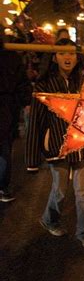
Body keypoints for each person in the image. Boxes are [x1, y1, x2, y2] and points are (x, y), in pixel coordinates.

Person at [26, 38, 84, 248]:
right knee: (60, 190)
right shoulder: (44, 85)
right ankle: (50, 219)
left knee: (83, 192)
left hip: (82, 146)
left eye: (72, 53)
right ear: (54, 57)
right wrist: (32, 159)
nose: (68, 57)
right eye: (63, 53)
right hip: (57, 145)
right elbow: (36, 122)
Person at [0, 27, 32, 202]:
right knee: (4, 149)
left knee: (4, 149)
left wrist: (26, 102)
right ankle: (3, 185)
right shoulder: (12, 58)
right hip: (7, 109)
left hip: (5, 109)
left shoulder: (11, 58)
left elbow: (21, 84)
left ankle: (3, 185)